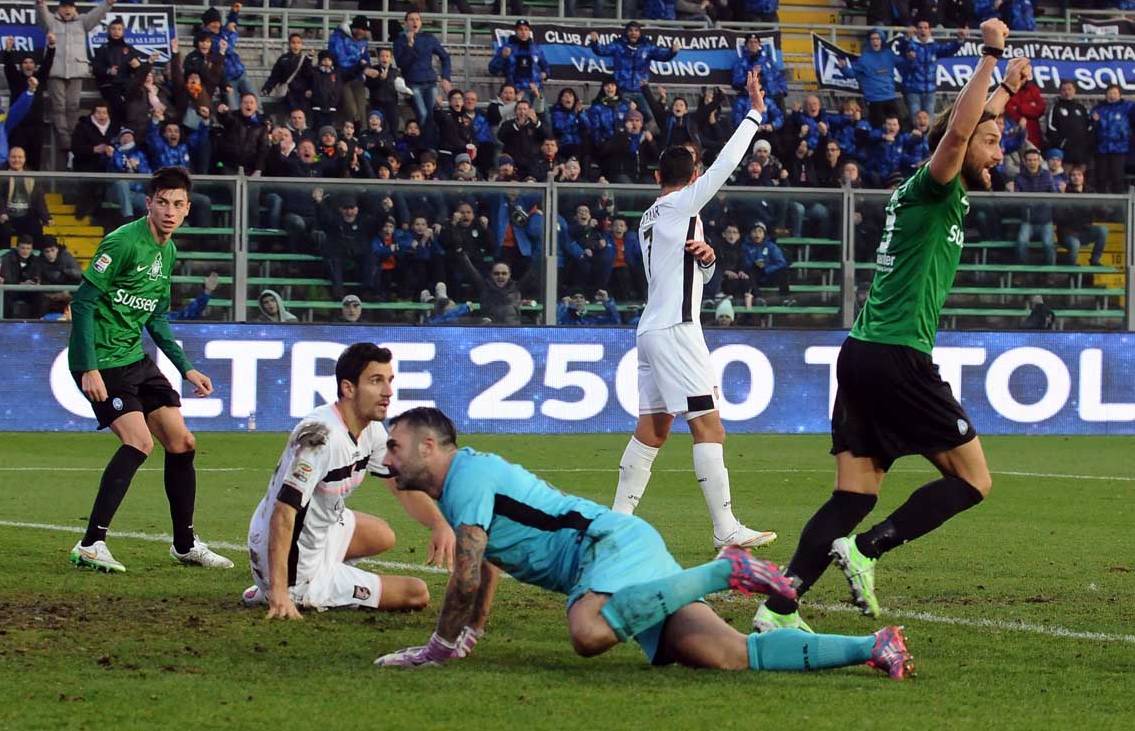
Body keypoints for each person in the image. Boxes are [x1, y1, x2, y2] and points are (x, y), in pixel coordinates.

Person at [753, 23, 1026, 634]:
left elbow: (972, 125)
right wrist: (990, 55)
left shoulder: (925, 191)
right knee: (975, 480)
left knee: (852, 495)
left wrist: (1005, 88)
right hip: (899, 356)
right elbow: (959, 130)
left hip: (863, 353)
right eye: (993, 139)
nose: (999, 148)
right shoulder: (936, 185)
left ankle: (776, 610)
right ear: (956, 148)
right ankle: (867, 550)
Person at [372, 407, 915, 680]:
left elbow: (466, 573)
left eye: (394, 446)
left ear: (428, 445)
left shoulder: (464, 478)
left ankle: (725, 569)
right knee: (726, 655)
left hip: (602, 549)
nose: (387, 457)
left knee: (587, 632)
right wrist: (473, 631)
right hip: (625, 549)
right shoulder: (459, 484)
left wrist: (437, 650)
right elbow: (484, 563)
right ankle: (872, 646)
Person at [610, 69, 774, 550]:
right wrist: (754, 115)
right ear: (693, 176)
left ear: (658, 176)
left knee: (653, 429)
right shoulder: (685, 204)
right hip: (677, 329)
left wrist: (708, 259)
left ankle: (615, 524)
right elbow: (727, 164)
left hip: (651, 328)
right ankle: (726, 527)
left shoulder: (650, 217)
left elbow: (682, 273)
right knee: (709, 426)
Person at [66, 166, 232, 573]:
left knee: (183, 443)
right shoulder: (123, 242)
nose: (170, 211)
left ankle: (184, 544)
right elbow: (84, 303)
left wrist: (187, 369)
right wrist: (89, 369)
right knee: (140, 443)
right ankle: (91, 543)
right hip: (103, 361)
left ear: (187, 208)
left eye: (178, 204)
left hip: (135, 358)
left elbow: (156, 317)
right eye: (163, 203)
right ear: (149, 204)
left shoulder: (168, 250)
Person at [249, 344, 455, 618]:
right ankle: (291, 589)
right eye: (376, 381)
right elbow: (284, 512)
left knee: (382, 534)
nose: (388, 392)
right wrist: (279, 592)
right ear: (348, 388)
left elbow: (402, 487)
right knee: (416, 592)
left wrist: (439, 524)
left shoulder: (371, 430)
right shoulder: (321, 439)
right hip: (294, 564)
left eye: (389, 381)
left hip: (316, 533)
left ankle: (310, 575)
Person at [36, 0, 113, 161]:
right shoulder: (52, 21)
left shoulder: (82, 21)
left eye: (70, 7)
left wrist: (107, 4)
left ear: (74, 8)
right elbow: (42, 15)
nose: (67, 10)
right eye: (64, 7)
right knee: (58, 106)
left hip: (77, 71)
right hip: (55, 71)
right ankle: (65, 141)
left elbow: (96, 15)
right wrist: (40, 4)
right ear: (59, 8)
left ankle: (73, 138)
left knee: (73, 106)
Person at [587, 22, 676, 125]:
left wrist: (672, 52)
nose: (633, 33)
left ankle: (640, 134)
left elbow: (663, 56)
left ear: (639, 33)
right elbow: (601, 50)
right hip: (622, 90)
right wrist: (595, 42)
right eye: (630, 30)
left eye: (636, 30)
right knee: (622, 116)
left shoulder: (647, 47)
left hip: (641, 90)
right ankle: (626, 136)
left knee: (648, 116)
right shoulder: (618, 46)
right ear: (626, 32)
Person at [393, 10, 452, 135]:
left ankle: (428, 144)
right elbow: (401, 63)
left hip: (430, 82)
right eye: (411, 19)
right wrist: (409, 45)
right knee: (423, 114)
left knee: (430, 115)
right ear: (406, 23)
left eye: (417, 19)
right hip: (413, 83)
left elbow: (445, 57)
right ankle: (424, 143)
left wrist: (446, 77)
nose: (415, 22)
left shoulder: (429, 38)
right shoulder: (399, 41)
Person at [3, 33, 54, 171]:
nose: (28, 65)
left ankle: (33, 189)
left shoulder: (40, 78)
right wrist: (8, 49)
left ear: (35, 65)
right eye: (25, 62)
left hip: (36, 126)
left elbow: (47, 64)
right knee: (16, 158)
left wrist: (51, 46)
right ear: (21, 65)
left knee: (35, 159)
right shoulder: (15, 79)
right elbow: (8, 66)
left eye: (31, 62)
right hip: (18, 126)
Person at [896, 21, 966, 120]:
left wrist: (960, 40)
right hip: (913, 90)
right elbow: (900, 48)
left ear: (930, 31)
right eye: (920, 27)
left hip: (930, 90)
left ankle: (928, 136)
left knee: (930, 121)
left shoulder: (933, 46)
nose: (923, 30)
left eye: (925, 28)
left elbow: (948, 50)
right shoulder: (909, 45)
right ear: (916, 30)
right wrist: (906, 38)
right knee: (915, 120)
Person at [838, 28, 900, 128]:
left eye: (877, 38)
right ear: (869, 41)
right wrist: (844, 68)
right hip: (874, 99)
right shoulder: (864, 58)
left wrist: (910, 54)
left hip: (890, 96)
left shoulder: (889, 54)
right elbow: (852, 73)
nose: (875, 41)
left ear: (881, 40)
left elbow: (904, 63)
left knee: (897, 127)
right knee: (879, 127)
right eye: (872, 39)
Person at [1, 146, 51, 243]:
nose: (17, 160)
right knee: (3, 231)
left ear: (24, 159)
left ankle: (34, 257)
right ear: (8, 158)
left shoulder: (31, 176)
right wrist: (2, 213)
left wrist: (46, 217)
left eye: (20, 157)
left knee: (36, 229)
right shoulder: (2, 174)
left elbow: (39, 200)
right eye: (13, 157)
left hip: (26, 215)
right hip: (7, 216)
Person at [488, 19, 549, 100]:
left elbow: (546, 66)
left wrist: (545, 74)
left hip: (536, 89)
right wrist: (502, 57)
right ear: (516, 31)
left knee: (544, 112)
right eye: (520, 29)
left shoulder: (536, 48)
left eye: (526, 29)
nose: (523, 32)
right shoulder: (506, 48)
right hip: (516, 91)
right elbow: (492, 69)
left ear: (529, 32)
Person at [329, 16, 371, 128]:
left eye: (365, 30)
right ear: (355, 28)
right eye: (362, 29)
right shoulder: (338, 38)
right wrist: (361, 66)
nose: (363, 32)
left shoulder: (363, 42)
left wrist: (367, 67)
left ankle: (362, 137)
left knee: (362, 113)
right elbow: (341, 62)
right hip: (343, 79)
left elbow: (366, 59)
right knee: (351, 111)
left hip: (357, 79)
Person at [262, 33, 313, 114]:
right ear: (289, 44)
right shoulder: (283, 59)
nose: (296, 45)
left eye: (298, 43)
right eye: (293, 42)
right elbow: (275, 76)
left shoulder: (305, 60)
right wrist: (267, 89)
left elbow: (309, 76)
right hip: (287, 93)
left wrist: (309, 60)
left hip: (301, 94)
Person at [1043, 81, 1091, 168]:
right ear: (1060, 92)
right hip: (1065, 151)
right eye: (1064, 90)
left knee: (1080, 177)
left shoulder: (1081, 108)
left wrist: (1085, 143)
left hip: (1081, 151)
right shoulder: (1056, 108)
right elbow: (1050, 128)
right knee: (1065, 177)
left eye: (1069, 89)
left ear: (1074, 91)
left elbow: (1088, 126)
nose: (1067, 92)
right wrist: (1062, 143)